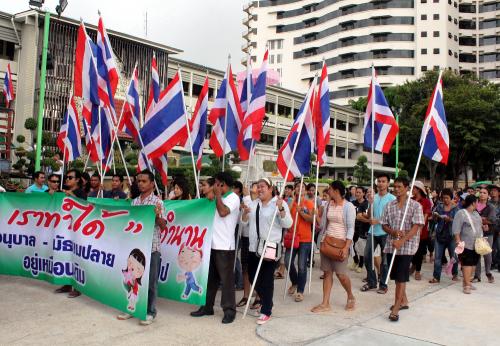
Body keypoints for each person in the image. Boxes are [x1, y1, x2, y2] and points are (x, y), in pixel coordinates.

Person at [117, 169, 167, 325]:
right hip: (136, 247)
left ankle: (150, 311)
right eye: (138, 181)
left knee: (151, 282)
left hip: (152, 247)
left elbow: (163, 226)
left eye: (144, 181)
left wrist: (158, 215)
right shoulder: (134, 202)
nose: (140, 184)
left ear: (152, 183)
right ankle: (132, 308)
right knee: (132, 279)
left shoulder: (158, 202)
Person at [241, 178, 292, 324]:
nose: (260, 189)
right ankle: (266, 300)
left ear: (271, 188)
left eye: (263, 187)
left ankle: (266, 310)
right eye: (258, 187)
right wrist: (244, 213)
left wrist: (281, 208)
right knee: (252, 276)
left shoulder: (277, 203)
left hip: (270, 247)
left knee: (267, 279)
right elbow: (244, 223)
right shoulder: (253, 203)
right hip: (253, 247)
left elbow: (287, 223)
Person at [191, 172, 240, 324]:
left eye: (217, 184)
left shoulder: (233, 198)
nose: (214, 187)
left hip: (225, 246)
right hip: (211, 244)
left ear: (223, 184)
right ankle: (207, 306)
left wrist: (218, 196)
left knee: (226, 281)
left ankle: (229, 310)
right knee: (209, 280)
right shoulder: (218, 197)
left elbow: (223, 212)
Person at [381, 177, 424, 322]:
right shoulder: (389, 205)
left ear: (407, 188)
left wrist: (402, 240)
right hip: (391, 246)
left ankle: (396, 307)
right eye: (395, 187)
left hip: (407, 247)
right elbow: (384, 225)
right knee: (397, 277)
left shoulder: (415, 206)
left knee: (400, 277)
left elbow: (416, 226)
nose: (397, 189)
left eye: (400, 187)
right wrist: (393, 232)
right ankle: (404, 301)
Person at [311, 180, 356, 313]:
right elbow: (323, 224)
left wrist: (346, 247)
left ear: (336, 191)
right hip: (327, 242)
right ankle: (325, 303)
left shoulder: (349, 207)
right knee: (327, 273)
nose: (328, 191)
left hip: (341, 244)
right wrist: (315, 216)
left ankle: (350, 296)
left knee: (341, 274)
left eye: (330, 189)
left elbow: (351, 229)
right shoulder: (328, 205)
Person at [360, 173, 395, 294]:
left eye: (383, 181)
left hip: (385, 233)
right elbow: (370, 216)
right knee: (367, 257)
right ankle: (372, 282)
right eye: (379, 181)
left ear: (388, 183)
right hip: (372, 232)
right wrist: (370, 203)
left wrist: (379, 220)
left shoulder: (392, 199)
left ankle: (383, 284)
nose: (381, 183)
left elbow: (393, 217)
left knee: (385, 261)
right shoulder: (373, 197)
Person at [54, 169, 87, 297]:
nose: (67, 179)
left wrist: (71, 195)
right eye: (66, 177)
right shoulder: (63, 192)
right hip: (65, 229)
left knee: (78, 257)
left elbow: (84, 205)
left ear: (77, 180)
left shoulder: (80, 192)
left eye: (70, 177)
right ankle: (67, 283)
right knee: (66, 256)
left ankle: (78, 287)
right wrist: (52, 193)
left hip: (78, 230)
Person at [285, 181, 315, 303]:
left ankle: (300, 291)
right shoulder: (290, 202)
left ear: (306, 190)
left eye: (302, 187)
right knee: (287, 261)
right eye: (297, 187)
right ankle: (295, 281)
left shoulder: (309, 203)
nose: (299, 189)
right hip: (292, 237)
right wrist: (291, 205)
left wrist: (301, 211)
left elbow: (311, 220)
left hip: (305, 239)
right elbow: (285, 218)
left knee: (302, 266)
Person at [453, 194, 483, 294]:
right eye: (477, 202)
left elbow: (479, 225)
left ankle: (467, 282)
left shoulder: (476, 213)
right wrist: (458, 241)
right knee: (467, 264)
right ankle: (466, 285)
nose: (477, 204)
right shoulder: (461, 213)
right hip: (466, 244)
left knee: (474, 264)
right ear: (473, 203)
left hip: (477, 244)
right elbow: (456, 228)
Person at [429, 188, 459, 283]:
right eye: (443, 198)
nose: (445, 200)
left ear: (451, 198)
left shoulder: (456, 209)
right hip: (440, 235)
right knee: (437, 258)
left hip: (451, 236)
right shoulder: (439, 207)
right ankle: (436, 277)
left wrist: (450, 220)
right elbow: (434, 219)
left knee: (453, 257)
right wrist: (435, 217)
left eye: (447, 198)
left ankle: (455, 274)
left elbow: (458, 222)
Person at [237, 182, 258, 308]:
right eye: (254, 186)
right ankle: (246, 295)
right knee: (245, 268)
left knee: (256, 269)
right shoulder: (246, 200)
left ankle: (259, 296)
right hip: (245, 238)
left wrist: (247, 198)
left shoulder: (258, 201)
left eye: (257, 186)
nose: (254, 189)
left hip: (256, 239)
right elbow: (243, 222)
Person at [472, 187, 496, 283]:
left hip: (487, 233)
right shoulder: (474, 206)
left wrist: (480, 219)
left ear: (488, 196)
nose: (482, 194)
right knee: (477, 253)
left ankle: (488, 272)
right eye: (480, 192)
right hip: (476, 232)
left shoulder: (491, 207)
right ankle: (477, 276)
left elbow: (492, 220)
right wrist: (483, 219)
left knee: (487, 253)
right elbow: (470, 217)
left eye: (484, 193)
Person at [410, 181, 432, 281]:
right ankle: (413, 266)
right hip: (410, 230)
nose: (412, 190)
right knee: (411, 252)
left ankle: (417, 271)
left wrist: (420, 227)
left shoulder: (426, 201)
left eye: (413, 188)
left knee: (419, 252)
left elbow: (426, 215)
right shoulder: (410, 200)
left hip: (422, 232)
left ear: (418, 189)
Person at [352, 186, 370, 273]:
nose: (357, 194)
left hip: (362, 228)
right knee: (353, 245)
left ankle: (361, 264)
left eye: (359, 192)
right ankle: (355, 261)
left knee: (360, 246)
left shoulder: (366, 204)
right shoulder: (352, 203)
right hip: (353, 227)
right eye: (356, 192)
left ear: (363, 193)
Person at [489, 185, 500, 271]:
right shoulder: (488, 203)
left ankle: (498, 263)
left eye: (495, 191)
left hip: (499, 227)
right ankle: (492, 263)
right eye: (491, 191)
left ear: (498, 193)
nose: (493, 192)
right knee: (491, 246)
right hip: (490, 227)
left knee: (499, 246)